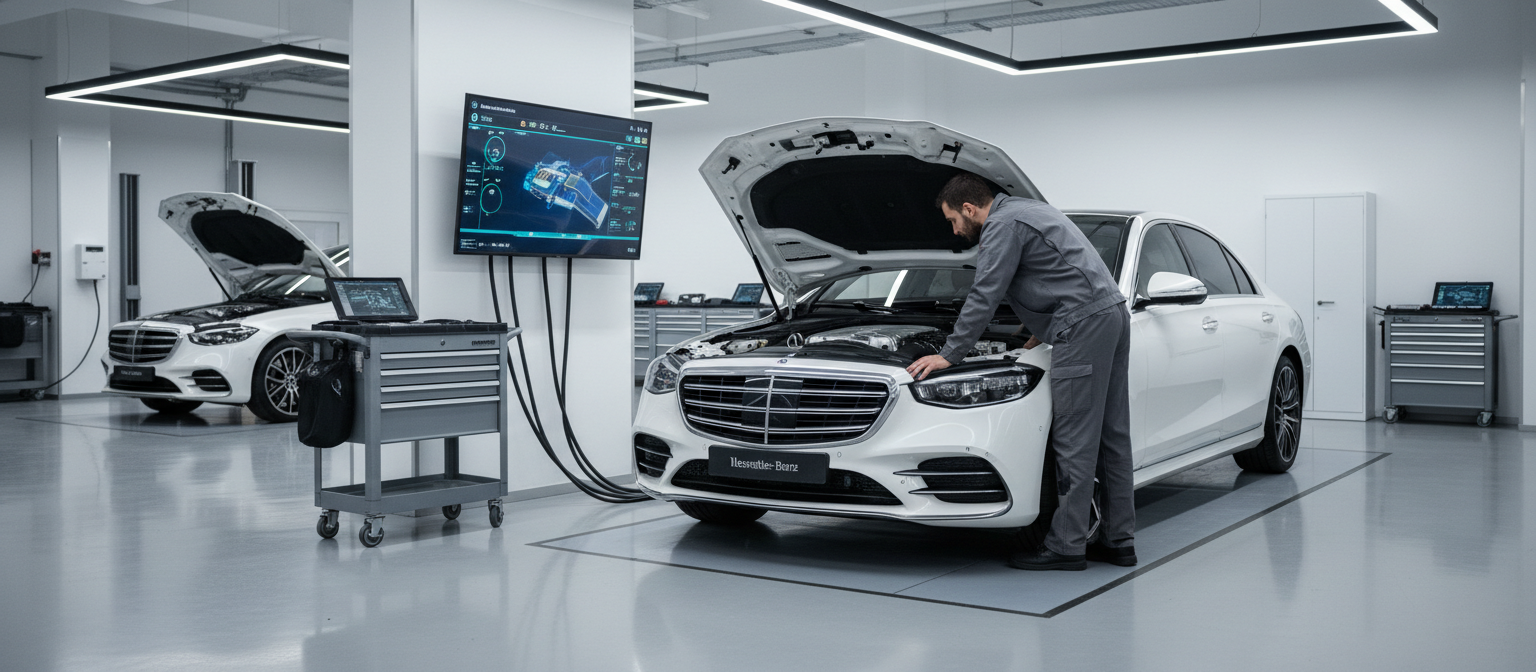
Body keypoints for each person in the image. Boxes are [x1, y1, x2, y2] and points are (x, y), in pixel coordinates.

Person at [906, 172, 1136, 572]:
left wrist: (951, 354)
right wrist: (1036, 331)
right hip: (1108, 315)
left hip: (1081, 326)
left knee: (1075, 441)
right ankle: (1119, 541)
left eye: (952, 221)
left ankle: (1066, 546)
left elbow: (986, 290)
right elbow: (1054, 273)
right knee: (1112, 436)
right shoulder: (1031, 210)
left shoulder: (1001, 226)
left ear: (969, 208)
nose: (956, 230)